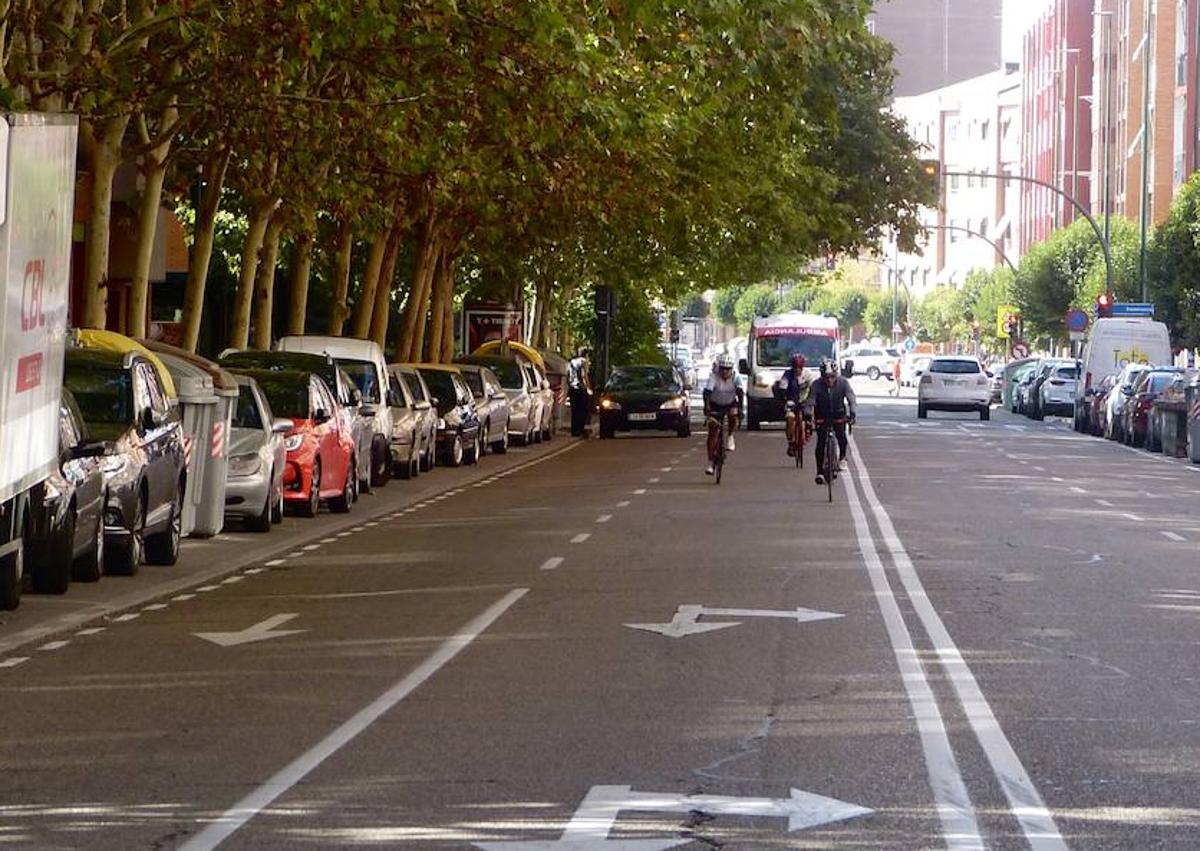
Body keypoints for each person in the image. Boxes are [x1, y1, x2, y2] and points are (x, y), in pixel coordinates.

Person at [811, 359, 857, 485]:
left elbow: (851, 398)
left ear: (836, 375)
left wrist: (852, 413)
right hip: (822, 414)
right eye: (826, 377)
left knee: (841, 435)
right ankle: (819, 472)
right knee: (820, 442)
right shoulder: (816, 384)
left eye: (832, 377)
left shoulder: (843, 383)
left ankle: (842, 457)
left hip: (838, 413)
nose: (829, 380)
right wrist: (807, 414)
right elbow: (811, 400)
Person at [703, 353, 742, 475]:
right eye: (723, 369)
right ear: (719, 368)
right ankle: (710, 461)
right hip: (715, 404)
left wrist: (741, 409)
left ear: (732, 369)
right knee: (713, 431)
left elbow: (740, 393)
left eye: (728, 369)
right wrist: (707, 407)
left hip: (730, 403)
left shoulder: (736, 377)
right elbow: (707, 393)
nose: (725, 372)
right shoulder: (713, 377)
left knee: (733, 414)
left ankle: (730, 436)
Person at [777, 353, 814, 456]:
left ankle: (808, 428)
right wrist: (785, 400)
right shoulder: (787, 374)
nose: (798, 370)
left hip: (805, 400)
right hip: (791, 400)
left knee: (808, 413)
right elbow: (782, 388)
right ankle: (791, 443)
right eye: (795, 367)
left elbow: (814, 389)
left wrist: (812, 401)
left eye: (800, 368)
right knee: (789, 419)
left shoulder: (808, 374)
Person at [568, 347, 593, 437]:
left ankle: (574, 430)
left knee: (574, 410)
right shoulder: (584, 362)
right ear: (586, 354)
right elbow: (584, 375)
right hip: (581, 388)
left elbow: (569, 375)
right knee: (582, 410)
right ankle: (580, 429)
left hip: (572, 388)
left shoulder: (572, 362)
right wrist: (588, 388)